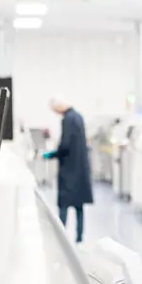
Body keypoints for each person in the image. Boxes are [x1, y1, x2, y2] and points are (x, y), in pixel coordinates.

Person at [43, 96, 94, 243]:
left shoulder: (67, 119)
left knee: (64, 204)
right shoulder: (78, 117)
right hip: (80, 169)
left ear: (59, 107)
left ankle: (62, 237)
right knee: (79, 206)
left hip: (69, 170)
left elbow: (65, 145)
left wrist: (51, 154)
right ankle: (79, 238)